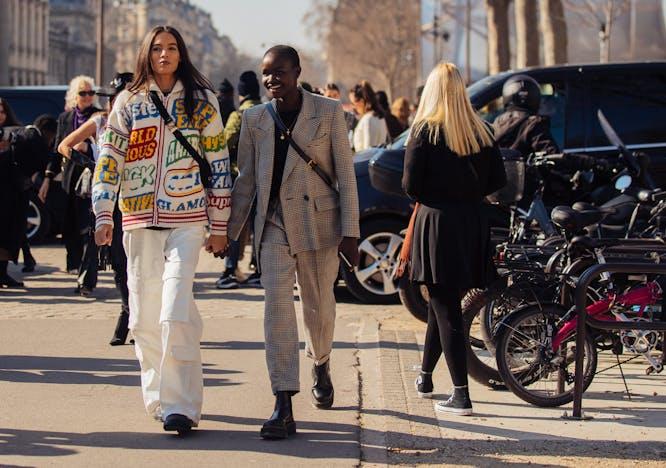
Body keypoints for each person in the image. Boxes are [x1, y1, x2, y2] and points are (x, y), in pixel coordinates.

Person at [92, 26, 231, 434]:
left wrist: (219, 224)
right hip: (136, 219)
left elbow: (219, 163)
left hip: (187, 221)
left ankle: (182, 406)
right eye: (157, 48)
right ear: (146, 54)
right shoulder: (129, 102)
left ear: (181, 53)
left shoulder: (202, 102)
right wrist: (103, 214)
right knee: (144, 318)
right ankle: (158, 396)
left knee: (174, 311)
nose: (164, 55)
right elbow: (109, 160)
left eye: (171, 48)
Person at [228, 45, 360, 440]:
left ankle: (320, 361)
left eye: (279, 72)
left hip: (319, 224)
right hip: (273, 226)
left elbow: (346, 176)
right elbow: (247, 179)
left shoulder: (329, 112)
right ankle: (282, 401)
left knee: (319, 308)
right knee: (277, 312)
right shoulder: (254, 119)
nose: (271, 80)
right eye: (266, 73)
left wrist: (351, 232)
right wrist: (230, 233)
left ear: (297, 72)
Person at [402, 63, 506, 416]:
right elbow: (497, 181)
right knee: (441, 303)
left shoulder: (424, 132)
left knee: (446, 309)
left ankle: (461, 393)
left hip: (437, 223)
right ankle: (426, 376)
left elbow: (410, 186)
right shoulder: (482, 131)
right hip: (473, 222)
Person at [57, 72, 134, 345]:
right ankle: (127, 312)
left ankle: (136, 317)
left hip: (138, 196)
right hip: (109, 197)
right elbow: (64, 145)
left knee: (140, 260)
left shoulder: (143, 118)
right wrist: (91, 164)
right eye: (114, 98)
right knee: (118, 260)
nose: (118, 102)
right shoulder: (100, 120)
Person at [41, 75, 102, 292]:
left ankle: (86, 271)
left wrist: (87, 146)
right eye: (83, 93)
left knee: (87, 224)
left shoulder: (98, 117)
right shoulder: (65, 118)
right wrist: (47, 179)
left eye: (90, 93)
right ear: (74, 96)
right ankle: (73, 263)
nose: (87, 97)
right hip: (69, 177)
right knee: (68, 223)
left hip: (90, 175)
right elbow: (57, 150)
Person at [0, 103, 56, 287]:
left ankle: (3, 273)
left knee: (11, 232)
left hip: (13, 191)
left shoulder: (18, 133)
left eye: (2, 111)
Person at [216, 70, 262, 290]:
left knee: (235, 226)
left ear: (241, 92)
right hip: (265, 179)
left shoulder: (239, 115)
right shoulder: (269, 112)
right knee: (261, 227)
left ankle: (230, 269)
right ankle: (260, 270)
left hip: (241, 179)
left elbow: (223, 145)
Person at [492, 74, 559, 156]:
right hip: (524, 169)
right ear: (535, 97)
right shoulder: (534, 123)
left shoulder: (497, 122)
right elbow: (551, 153)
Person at [350, 80, 388, 151]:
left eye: (353, 103)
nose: (353, 107)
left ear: (361, 101)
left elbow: (368, 151)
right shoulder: (378, 117)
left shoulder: (368, 119)